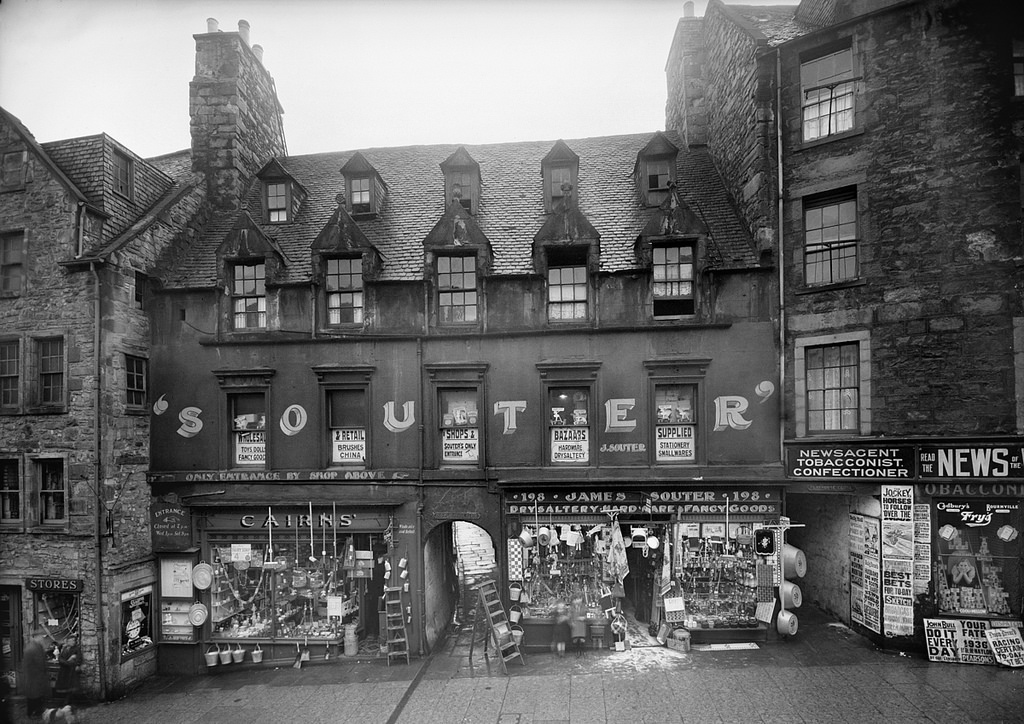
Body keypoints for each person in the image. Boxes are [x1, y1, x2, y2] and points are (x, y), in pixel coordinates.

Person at [22, 633, 49, 719]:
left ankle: (37, 712)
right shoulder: (33, 648)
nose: (42, 638)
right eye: (40, 637)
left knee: (37, 695)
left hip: (36, 677)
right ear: (35, 637)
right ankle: (31, 713)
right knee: (33, 696)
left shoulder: (36, 646)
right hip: (34, 677)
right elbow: (39, 663)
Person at [54, 634, 81, 706]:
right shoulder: (65, 649)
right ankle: (64, 699)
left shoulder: (76, 649)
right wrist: (67, 661)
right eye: (71, 641)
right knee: (64, 684)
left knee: (71, 685)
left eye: (74, 641)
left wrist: (76, 663)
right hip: (64, 670)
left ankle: (69, 700)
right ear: (68, 642)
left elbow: (78, 658)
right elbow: (60, 658)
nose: (73, 642)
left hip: (71, 670)